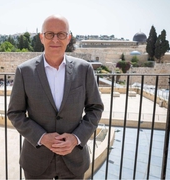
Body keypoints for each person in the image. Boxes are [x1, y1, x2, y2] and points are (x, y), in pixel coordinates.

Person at [7, 14, 104, 179]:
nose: (55, 39)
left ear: (68, 38)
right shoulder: (24, 71)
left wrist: (76, 138)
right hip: (37, 161)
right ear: (41, 37)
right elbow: (15, 113)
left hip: (74, 161)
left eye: (61, 34)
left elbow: (95, 108)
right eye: (50, 34)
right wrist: (42, 138)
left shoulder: (84, 69)